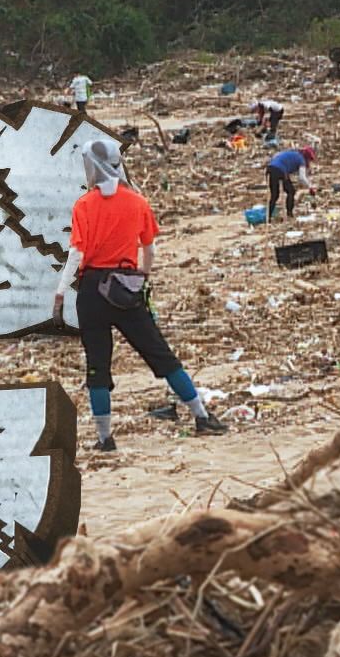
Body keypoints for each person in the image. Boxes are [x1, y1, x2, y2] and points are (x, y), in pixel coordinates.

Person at [52, 139, 226, 451]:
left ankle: (105, 439)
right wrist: (142, 277)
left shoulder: (83, 205)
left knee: (97, 365)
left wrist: (60, 291)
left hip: (91, 292)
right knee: (159, 353)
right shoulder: (136, 202)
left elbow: (76, 253)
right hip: (126, 288)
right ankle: (201, 416)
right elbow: (149, 248)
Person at [265, 145, 315, 220]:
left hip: (270, 169)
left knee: (274, 195)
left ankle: (268, 217)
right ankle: (289, 213)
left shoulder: (293, 154)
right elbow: (302, 177)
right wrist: (310, 186)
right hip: (280, 171)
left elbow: (277, 157)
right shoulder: (301, 160)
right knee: (291, 191)